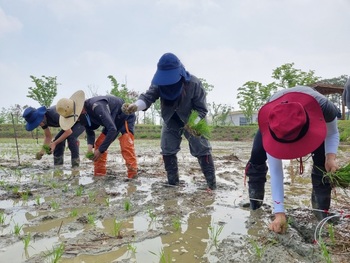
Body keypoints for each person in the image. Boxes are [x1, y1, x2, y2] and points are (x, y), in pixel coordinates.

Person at [245, 85, 340, 234]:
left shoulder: (324, 108)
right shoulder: (272, 121)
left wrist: (331, 157)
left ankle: (321, 214)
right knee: (257, 156)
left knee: (322, 164)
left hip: (311, 116)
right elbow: (276, 173)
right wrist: (279, 213)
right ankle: (255, 207)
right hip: (277, 116)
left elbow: (333, 133)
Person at [122, 52, 216, 190]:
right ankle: (173, 183)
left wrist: (193, 124)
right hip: (171, 118)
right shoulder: (159, 84)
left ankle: (211, 185)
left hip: (192, 119)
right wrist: (135, 106)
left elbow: (201, 110)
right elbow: (148, 97)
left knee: (202, 148)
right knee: (167, 149)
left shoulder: (194, 84)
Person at [56, 90, 138, 179]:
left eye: (76, 117)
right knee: (99, 145)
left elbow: (112, 129)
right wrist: (90, 149)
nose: (78, 120)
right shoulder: (84, 115)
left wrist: (100, 151)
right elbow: (89, 130)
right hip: (112, 122)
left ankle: (132, 176)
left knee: (126, 145)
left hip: (124, 116)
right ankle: (99, 175)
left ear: (81, 110)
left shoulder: (97, 106)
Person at [22, 91, 86, 167]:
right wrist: (42, 151)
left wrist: (54, 143)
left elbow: (68, 131)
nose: (40, 124)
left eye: (39, 122)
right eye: (37, 123)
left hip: (80, 120)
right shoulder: (43, 121)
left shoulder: (55, 114)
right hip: (68, 124)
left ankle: (75, 165)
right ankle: (58, 166)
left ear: (42, 115)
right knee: (58, 140)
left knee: (71, 138)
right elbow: (48, 136)